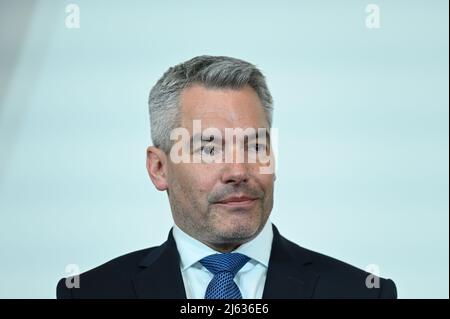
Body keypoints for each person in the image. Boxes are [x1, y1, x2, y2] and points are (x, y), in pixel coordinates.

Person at [57, 55, 397, 299]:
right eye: (209, 148)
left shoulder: (361, 293)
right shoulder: (91, 293)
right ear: (159, 168)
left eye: (255, 145)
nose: (238, 171)